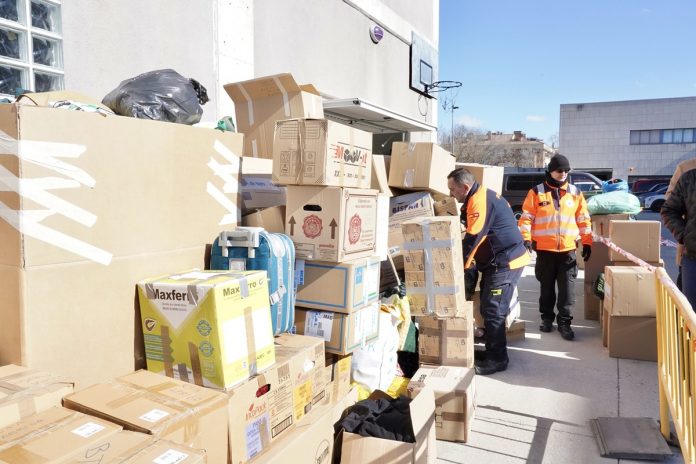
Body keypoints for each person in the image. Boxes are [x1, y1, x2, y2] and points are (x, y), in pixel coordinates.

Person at [447, 168, 530, 375]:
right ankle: (492, 349)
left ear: (465, 188)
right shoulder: (480, 195)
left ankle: (498, 359)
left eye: (452, 190)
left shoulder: (479, 200)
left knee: (494, 309)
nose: (450, 194)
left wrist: (459, 268)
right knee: (487, 306)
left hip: (506, 263)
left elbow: (473, 238)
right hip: (497, 262)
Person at [518, 154, 592, 340]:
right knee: (547, 289)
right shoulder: (536, 192)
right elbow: (526, 218)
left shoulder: (575, 193)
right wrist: (526, 238)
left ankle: (565, 322)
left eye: (566, 170)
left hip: (568, 251)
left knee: (567, 290)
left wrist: (587, 242)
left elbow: (583, 219)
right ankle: (547, 319)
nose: (563, 174)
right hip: (545, 251)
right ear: (550, 171)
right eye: (559, 170)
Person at [661, 168, 696, 309]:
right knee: (690, 313)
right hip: (693, 258)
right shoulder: (689, 179)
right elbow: (669, 210)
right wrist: (685, 235)